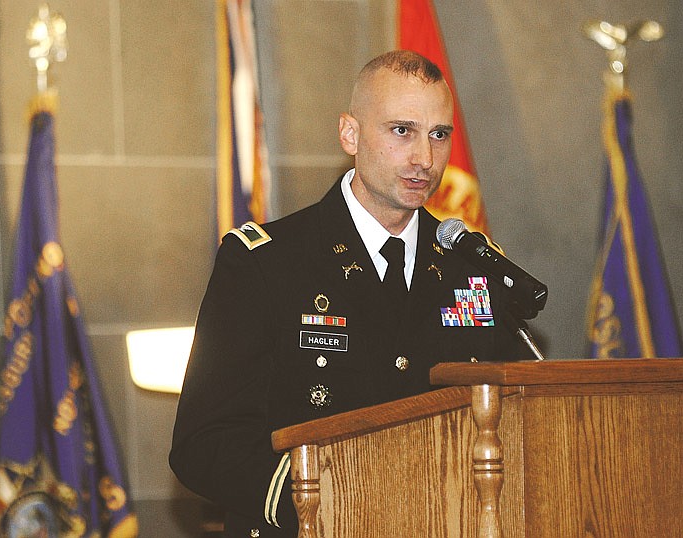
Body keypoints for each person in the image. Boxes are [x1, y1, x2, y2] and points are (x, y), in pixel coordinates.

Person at [170, 50, 525, 537]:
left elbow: (516, 417)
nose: (424, 158)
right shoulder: (267, 263)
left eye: (439, 135)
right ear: (350, 134)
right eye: (402, 131)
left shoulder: (471, 269)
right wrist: (322, 501)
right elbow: (204, 442)